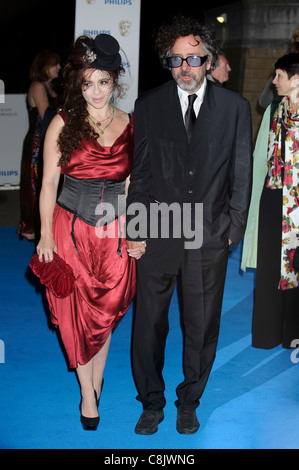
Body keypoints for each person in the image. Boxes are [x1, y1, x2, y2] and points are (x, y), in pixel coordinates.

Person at [126, 15, 252, 435]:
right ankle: (152, 401)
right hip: (157, 232)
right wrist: (135, 227)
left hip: (210, 236)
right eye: (176, 59)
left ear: (209, 59)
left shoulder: (234, 108)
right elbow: (140, 173)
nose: (185, 67)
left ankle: (189, 400)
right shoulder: (148, 106)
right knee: (148, 325)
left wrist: (233, 229)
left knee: (200, 326)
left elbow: (241, 171)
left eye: (194, 58)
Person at [36, 34, 136, 430]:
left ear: (115, 82)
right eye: (87, 83)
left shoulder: (131, 124)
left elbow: (131, 186)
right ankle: (88, 394)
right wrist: (45, 234)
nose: (95, 92)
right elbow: (47, 185)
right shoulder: (63, 122)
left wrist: (133, 231)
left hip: (115, 232)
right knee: (77, 313)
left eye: (104, 82)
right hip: (70, 229)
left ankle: (94, 381)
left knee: (106, 311)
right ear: (78, 83)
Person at [242, 53, 299, 349]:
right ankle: (268, 334)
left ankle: (294, 333)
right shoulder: (275, 110)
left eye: (278, 76)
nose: (274, 81)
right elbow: (260, 159)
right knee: (269, 268)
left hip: (298, 200)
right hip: (275, 197)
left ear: (296, 79)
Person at [17, 50, 61, 241]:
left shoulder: (50, 87)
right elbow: (46, 115)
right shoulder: (37, 86)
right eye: (55, 64)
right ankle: (32, 228)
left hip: (47, 141)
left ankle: (42, 227)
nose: (59, 67)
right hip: (37, 144)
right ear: (45, 67)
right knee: (37, 186)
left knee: (44, 185)